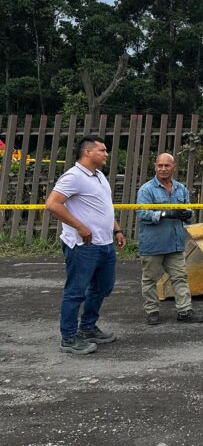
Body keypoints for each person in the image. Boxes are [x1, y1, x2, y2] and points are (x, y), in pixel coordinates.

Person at [45, 135, 126, 355]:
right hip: (83, 245)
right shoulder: (73, 176)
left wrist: (116, 229)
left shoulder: (99, 176)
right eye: (102, 150)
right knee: (76, 291)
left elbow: (105, 207)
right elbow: (52, 204)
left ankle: (88, 327)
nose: (106, 154)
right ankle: (69, 338)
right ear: (88, 152)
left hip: (104, 243)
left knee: (103, 287)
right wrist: (80, 227)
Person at [136, 153, 203, 325]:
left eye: (167, 166)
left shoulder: (181, 189)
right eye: (160, 165)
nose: (163, 169)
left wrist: (187, 214)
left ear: (174, 167)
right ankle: (152, 311)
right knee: (150, 279)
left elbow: (189, 214)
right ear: (155, 166)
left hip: (175, 243)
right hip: (153, 244)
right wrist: (166, 213)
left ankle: (184, 311)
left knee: (180, 277)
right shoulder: (146, 189)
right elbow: (142, 214)